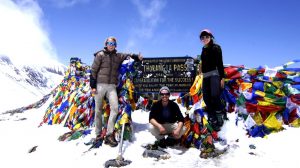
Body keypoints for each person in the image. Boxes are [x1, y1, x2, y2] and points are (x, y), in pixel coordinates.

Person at [90, 36, 143, 147]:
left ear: (115, 45)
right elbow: (93, 71)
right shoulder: (100, 55)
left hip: (112, 87)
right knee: (98, 110)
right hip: (99, 85)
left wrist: (137, 57)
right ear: (106, 44)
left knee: (115, 108)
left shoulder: (118, 56)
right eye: (109, 43)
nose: (111, 45)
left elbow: (129, 55)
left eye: (113, 43)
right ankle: (98, 134)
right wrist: (93, 87)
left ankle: (109, 134)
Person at [198, 29, 225, 131]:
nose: (204, 39)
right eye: (202, 37)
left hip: (214, 74)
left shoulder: (216, 48)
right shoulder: (203, 49)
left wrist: (222, 78)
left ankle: (219, 118)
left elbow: (220, 63)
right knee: (206, 97)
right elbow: (203, 63)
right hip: (205, 76)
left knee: (214, 96)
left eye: (206, 37)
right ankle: (212, 117)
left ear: (211, 37)